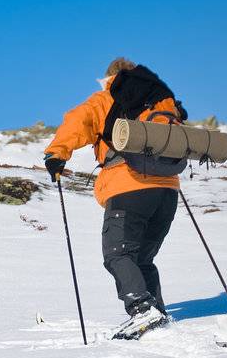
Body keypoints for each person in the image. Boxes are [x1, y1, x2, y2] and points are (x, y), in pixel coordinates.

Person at [43, 58, 188, 336]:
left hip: (127, 186)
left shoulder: (107, 98)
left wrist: (56, 154)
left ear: (111, 77)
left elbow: (78, 122)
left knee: (118, 254)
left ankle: (143, 311)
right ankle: (158, 313)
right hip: (168, 191)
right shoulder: (162, 102)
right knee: (143, 257)